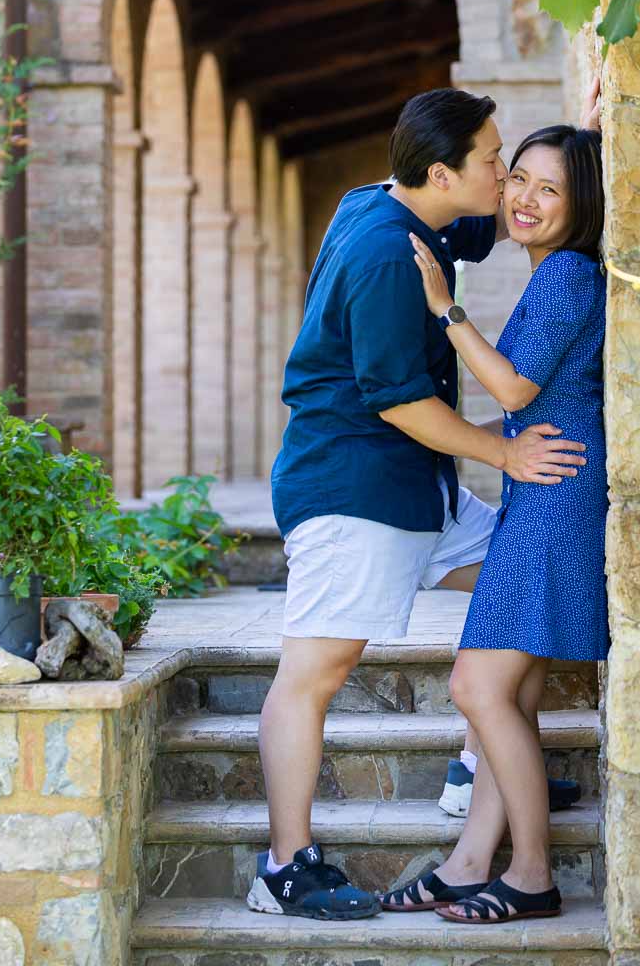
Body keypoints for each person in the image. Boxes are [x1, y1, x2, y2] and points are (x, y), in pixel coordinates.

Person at [246, 89, 590, 922]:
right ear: (442, 172)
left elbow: (498, 219)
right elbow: (398, 399)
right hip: (355, 493)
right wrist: (503, 449)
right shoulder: (380, 254)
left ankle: (482, 762)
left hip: (420, 489)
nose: (504, 176)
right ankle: (285, 869)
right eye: (492, 163)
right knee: (314, 675)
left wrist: (583, 162)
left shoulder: (408, 206)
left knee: (516, 587)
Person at [382, 124, 607, 923]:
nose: (524, 199)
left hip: (554, 501)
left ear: (581, 205)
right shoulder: (560, 273)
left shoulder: (567, 275)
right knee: (509, 691)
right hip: (544, 496)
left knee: (476, 686)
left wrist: (446, 310)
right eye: (518, 179)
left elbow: (512, 392)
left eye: (551, 189)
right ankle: (472, 861)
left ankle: (534, 875)